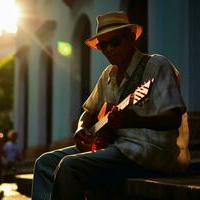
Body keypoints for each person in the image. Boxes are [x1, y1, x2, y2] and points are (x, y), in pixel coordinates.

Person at [31, 11, 190, 200]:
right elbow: (89, 112)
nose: (109, 49)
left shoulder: (156, 65)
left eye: (115, 42)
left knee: (68, 166)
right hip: (115, 149)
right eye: (103, 46)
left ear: (131, 37)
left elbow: (173, 117)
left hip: (149, 152)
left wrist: (136, 120)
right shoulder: (108, 75)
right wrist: (82, 128)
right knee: (44, 163)